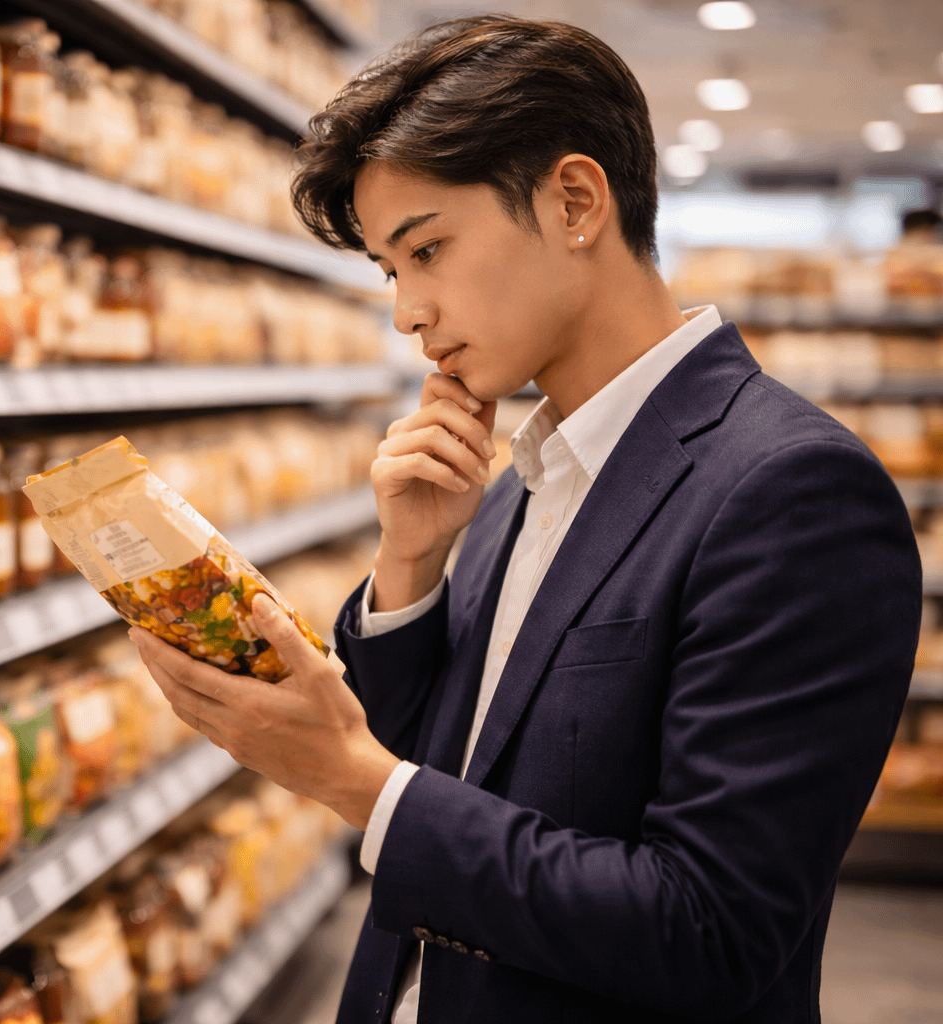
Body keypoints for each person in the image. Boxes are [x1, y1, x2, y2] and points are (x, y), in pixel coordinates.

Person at [128, 15, 920, 1024]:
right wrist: (411, 565)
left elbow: (710, 929)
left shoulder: (792, 491)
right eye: (392, 271)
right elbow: (452, 772)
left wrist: (358, 784)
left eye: (428, 249)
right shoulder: (517, 481)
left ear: (575, 202)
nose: (408, 311)